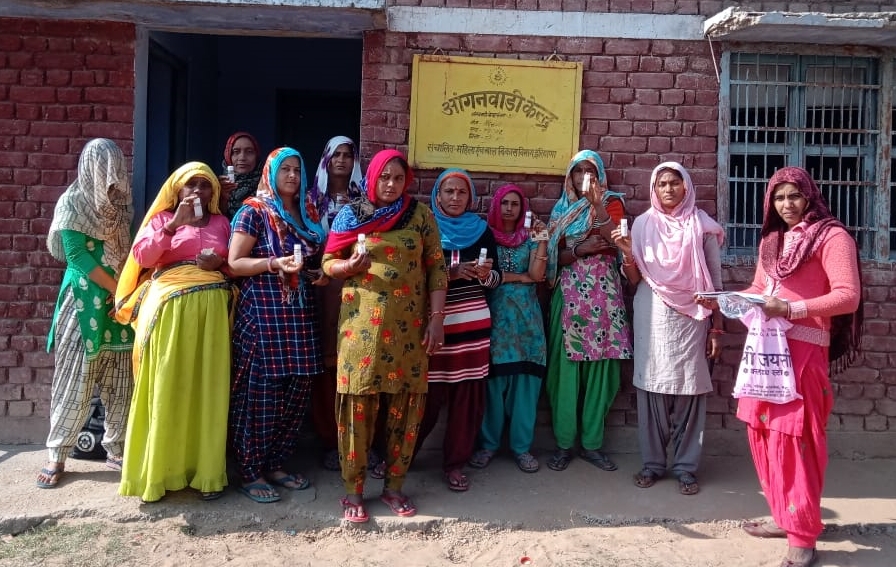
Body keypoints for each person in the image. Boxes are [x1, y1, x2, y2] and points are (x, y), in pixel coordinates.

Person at [698, 167, 861, 567]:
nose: (787, 204)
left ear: (809, 197)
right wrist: (723, 300)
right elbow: (759, 292)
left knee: (795, 441)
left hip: (803, 355)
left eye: (794, 196)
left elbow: (848, 296)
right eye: (779, 197)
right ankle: (782, 516)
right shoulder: (772, 241)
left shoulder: (831, 237)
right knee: (762, 432)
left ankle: (802, 537)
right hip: (764, 353)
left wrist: (791, 309)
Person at [322, 149, 447, 522]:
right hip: (361, 332)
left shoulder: (421, 216)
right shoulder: (351, 215)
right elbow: (328, 263)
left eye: (397, 178)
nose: (391, 185)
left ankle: (394, 486)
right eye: (384, 178)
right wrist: (348, 265)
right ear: (372, 178)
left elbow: (437, 269)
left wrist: (437, 320)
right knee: (358, 408)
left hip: (409, 332)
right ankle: (353, 492)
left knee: (405, 409)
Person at [115, 162, 233, 502]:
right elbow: (143, 256)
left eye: (204, 185)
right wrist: (174, 226)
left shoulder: (222, 223)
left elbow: (233, 262)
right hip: (169, 308)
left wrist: (219, 265)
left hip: (212, 313)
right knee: (168, 385)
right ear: (176, 191)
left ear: (213, 193)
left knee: (207, 390)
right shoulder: (160, 220)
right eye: (190, 185)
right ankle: (158, 474)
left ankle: (206, 474)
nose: (197, 191)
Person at [611, 162, 724, 496]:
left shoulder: (701, 226)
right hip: (652, 314)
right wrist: (628, 253)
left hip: (693, 316)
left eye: (676, 183)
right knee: (652, 388)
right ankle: (652, 464)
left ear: (686, 187)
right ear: (654, 189)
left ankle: (686, 468)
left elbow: (715, 283)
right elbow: (634, 280)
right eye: (662, 184)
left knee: (690, 388)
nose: (670, 189)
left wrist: (717, 329)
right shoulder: (643, 225)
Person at [228, 147, 328, 503]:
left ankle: (276, 464)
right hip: (263, 313)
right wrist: (273, 263)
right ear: (270, 173)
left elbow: (312, 258)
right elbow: (234, 263)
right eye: (284, 169)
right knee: (261, 393)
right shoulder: (253, 212)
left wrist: (315, 273)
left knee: (298, 389)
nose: (291, 176)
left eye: (297, 171)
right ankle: (250, 470)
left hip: (299, 313)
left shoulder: (306, 214)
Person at [38, 138, 135, 489]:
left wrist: (124, 290)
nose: (110, 176)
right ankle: (57, 452)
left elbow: (127, 252)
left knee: (120, 375)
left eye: (115, 168)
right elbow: (76, 256)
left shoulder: (121, 206)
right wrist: (117, 291)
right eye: (103, 167)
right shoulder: (72, 202)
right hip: (83, 301)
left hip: (117, 299)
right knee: (74, 379)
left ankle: (116, 446)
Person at [544, 149, 633, 473]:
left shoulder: (612, 203)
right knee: (564, 375)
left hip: (605, 298)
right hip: (568, 299)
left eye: (590, 171)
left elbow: (617, 243)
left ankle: (593, 445)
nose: (585, 178)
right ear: (569, 177)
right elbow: (554, 257)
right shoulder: (560, 210)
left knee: (601, 375)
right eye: (578, 171)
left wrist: (597, 207)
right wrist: (579, 249)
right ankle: (565, 445)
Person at [416, 168, 500, 492]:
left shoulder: (481, 231)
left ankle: (455, 464)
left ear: (470, 198)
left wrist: (482, 275)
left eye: (461, 193)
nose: (454, 198)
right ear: (437, 195)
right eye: (448, 192)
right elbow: (414, 279)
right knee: (426, 397)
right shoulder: (425, 228)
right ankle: (401, 458)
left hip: (472, 326)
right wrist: (449, 273)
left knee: (468, 401)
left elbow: (497, 280)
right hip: (435, 326)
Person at [468, 184, 548, 474]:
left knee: (525, 386)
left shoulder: (530, 239)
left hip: (527, 323)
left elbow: (538, 276)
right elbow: (487, 276)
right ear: (497, 206)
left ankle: (521, 448)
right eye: (505, 204)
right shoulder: (486, 236)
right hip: (496, 320)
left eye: (515, 204)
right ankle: (488, 445)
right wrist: (519, 276)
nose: (510, 209)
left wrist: (541, 241)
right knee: (493, 385)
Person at [306, 136, 367, 473]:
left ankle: (358, 440)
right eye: (336, 155)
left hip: (356, 287)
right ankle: (330, 439)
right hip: (321, 288)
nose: (342, 161)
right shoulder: (311, 200)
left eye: (348, 155)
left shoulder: (365, 201)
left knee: (355, 359)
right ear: (326, 160)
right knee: (326, 363)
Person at [219, 131, 263, 218]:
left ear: (256, 156)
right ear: (228, 156)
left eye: (249, 152)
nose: (242, 158)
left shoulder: (267, 188)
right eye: (236, 151)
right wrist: (222, 198)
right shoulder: (217, 186)